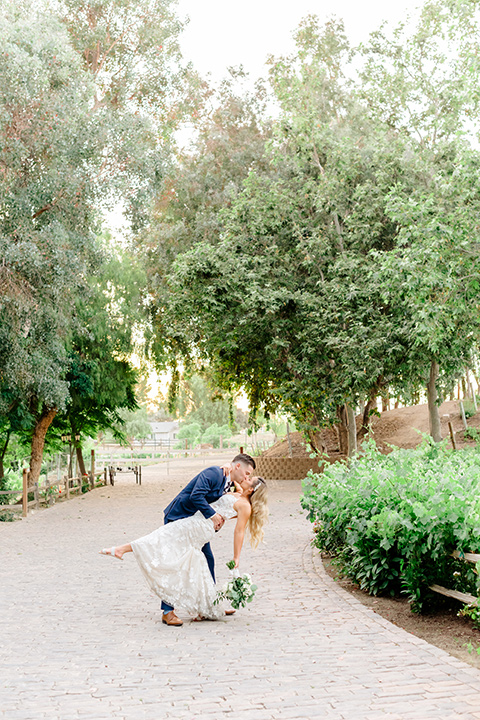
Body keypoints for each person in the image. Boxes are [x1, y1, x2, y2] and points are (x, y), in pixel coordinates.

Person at [99, 454, 268, 625]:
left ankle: (210, 605)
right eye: (247, 473)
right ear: (237, 467)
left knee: (208, 560)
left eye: (249, 477)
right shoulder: (215, 474)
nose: (246, 477)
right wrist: (214, 514)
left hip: (199, 526)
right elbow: (197, 496)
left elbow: (235, 514)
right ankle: (168, 611)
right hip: (180, 515)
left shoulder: (232, 483)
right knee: (175, 560)